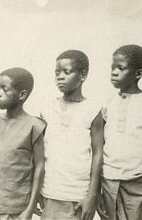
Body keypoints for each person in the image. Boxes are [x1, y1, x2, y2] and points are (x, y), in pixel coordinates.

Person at [97, 45, 142, 220]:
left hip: (140, 186)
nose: (114, 72)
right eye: (112, 67)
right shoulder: (106, 102)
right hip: (109, 184)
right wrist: (97, 191)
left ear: (138, 73)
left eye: (120, 68)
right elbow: (98, 149)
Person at [40, 50, 104, 220]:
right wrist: (39, 189)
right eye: (57, 72)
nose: (60, 77)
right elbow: (39, 154)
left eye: (66, 72)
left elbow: (98, 154)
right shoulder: (47, 110)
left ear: (83, 75)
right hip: (50, 192)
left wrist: (91, 195)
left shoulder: (93, 110)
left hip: (78, 196)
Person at [0, 67, 46, 220]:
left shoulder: (34, 126)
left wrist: (30, 209)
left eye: (5, 89)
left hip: (17, 209)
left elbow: (40, 168)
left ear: (22, 94)